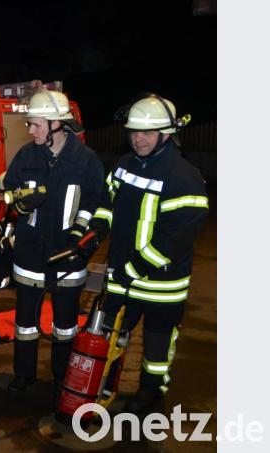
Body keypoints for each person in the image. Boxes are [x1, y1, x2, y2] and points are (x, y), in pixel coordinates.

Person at [79, 93, 208, 413]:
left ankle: (152, 394)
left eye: (147, 133)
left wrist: (131, 269)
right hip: (122, 278)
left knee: (157, 346)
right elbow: (107, 204)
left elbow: (174, 240)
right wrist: (96, 229)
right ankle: (103, 385)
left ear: (167, 134)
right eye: (134, 131)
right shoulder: (123, 166)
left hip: (161, 286)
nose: (138, 138)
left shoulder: (185, 178)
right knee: (111, 338)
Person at [1, 88, 104, 398]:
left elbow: (98, 203)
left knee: (65, 326)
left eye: (35, 124)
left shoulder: (86, 161)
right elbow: (9, 191)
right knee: (25, 323)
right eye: (29, 124)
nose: (30, 130)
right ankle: (24, 375)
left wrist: (83, 236)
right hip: (30, 255)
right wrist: (20, 202)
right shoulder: (26, 156)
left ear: (57, 124)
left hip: (68, 256)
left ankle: (62, 377)